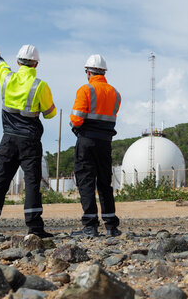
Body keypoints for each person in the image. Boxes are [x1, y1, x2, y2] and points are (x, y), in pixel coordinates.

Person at [0, 45, 56, 238]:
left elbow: (0, 66)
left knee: (0, 181)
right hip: (30, 141)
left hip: (8, 139)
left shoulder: (7, 78)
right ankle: (34, 228)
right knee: (32, 183)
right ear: (36, 64)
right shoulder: (40, 85)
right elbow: (50, 114)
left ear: (17, 62)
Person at [70, 54, 121, 237]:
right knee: (104, 183)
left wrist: (75, 125)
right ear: (104, 72)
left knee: (86, 182)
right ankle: (111, 225)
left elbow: (76, 120)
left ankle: (90, 226)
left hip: (87, 141)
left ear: (88, 71)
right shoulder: (115, 93)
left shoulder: (86, 90)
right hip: (105, 143)